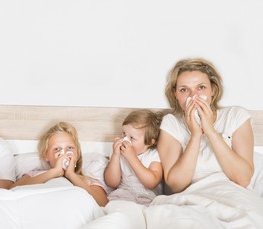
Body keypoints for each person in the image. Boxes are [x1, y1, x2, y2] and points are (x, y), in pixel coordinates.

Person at [158, 58, 254, 193]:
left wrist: (210, 131)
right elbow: (176, 185)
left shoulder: (235, 116)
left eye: (201, 87)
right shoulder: (171, 124)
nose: (194, 96)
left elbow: (243, 179)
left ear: (213, 90)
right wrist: (195, 136)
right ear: (176, 95)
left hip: (233, 195)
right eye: (184, 90)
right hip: (192, 198)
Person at [11, 121, 111, 206]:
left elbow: (103, 203)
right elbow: (12, 191)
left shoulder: (88, 181)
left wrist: (71, 175)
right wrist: (54, 172)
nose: (64, 153)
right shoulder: (34, 174)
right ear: (46, 156)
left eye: (70, 148)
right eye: (57, 149)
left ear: (77, 153)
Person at [104, 109, 164, 206]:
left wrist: (132, 158)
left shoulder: (153, 155)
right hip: (123, 193)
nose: (125, 139)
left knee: (152, 210)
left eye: (131, 138)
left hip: (147, 196)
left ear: (149, 142)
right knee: (113, 205)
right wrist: (115, 155)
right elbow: (112, 183)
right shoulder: (119, 152)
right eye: (124, 134)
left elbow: (152, 182)